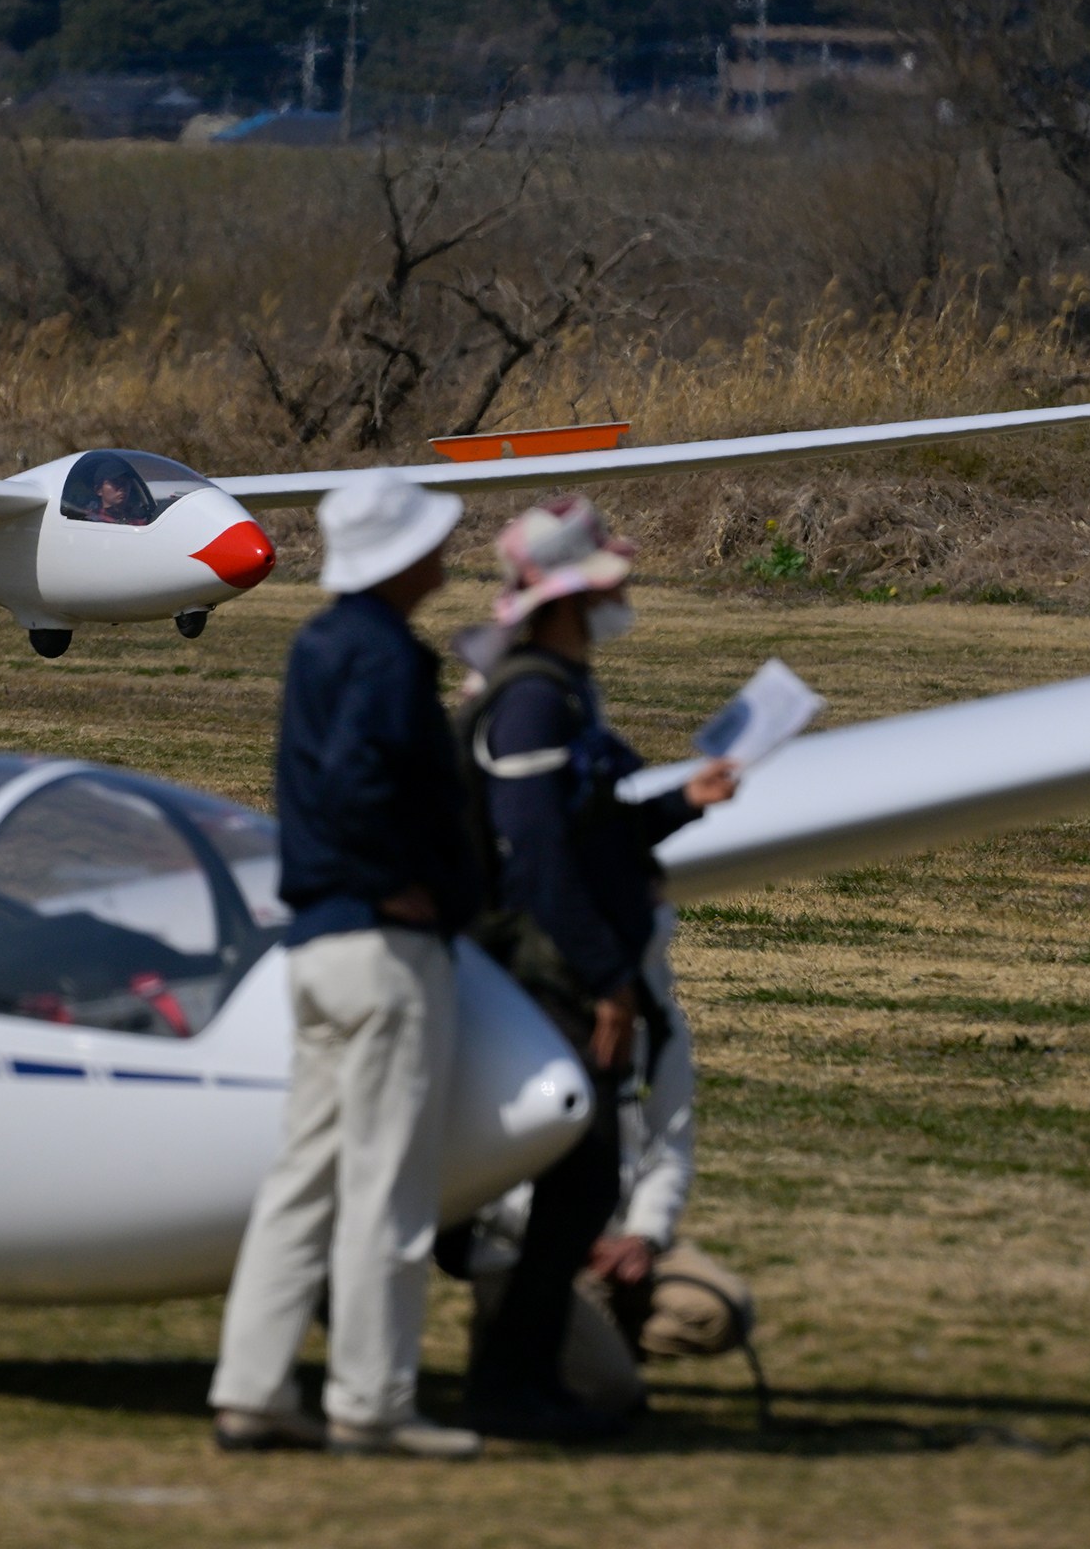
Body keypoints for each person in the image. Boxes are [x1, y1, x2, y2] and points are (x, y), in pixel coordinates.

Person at [447, 495, 736, 1442]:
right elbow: (538, 859)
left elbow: (590, 828)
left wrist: (683, 803)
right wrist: (608, 978)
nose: (622, 596)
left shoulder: (559, 690)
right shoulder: (535, 699)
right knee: (575, 1187)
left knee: (582, 1186)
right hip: (546, 976)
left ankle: (522, 1377)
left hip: (557, 969)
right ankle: (512, 1383)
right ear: (570, 600)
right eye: (609, 584)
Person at [208, 474, 483, 1461]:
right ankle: (371, 1400)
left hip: (317, 942)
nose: (444, 555)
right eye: (430, 542)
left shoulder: (319, 643)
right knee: (386, 1185)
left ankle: (251, 1388)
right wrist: (397, 882)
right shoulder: (384, 656)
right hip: (380, 945)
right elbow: (361, 781)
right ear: (400, 557)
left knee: (304, 1177)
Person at [446, 909, 755, 1420]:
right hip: (532, 1244)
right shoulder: (528, 1020)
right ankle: (542, 1348)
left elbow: (671, 1147)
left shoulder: (661, 1025)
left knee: (720, 1312)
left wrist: (643, 1237)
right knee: (610, 1396)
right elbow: (496, 1160)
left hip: (621, 1239)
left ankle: (579, 1345)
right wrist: (572, 1235)